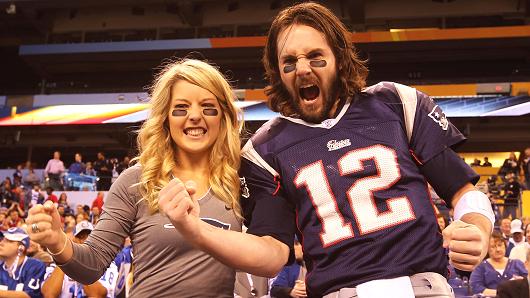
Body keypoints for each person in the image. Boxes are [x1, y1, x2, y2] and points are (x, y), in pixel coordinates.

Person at [154, 3, 493, 298]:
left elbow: (463, 190)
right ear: (278, 72)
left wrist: (476, 228)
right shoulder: (264, 149)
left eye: (315, 56)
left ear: (340, 59)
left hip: (423, 287)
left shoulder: (396, 103)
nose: (302, 69)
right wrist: (196, 230)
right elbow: (273, 252)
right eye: (289, 62)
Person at [26, 58, 244, 297]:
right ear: (165, 118)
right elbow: (92, 265)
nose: (194, 116)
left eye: (207, 106)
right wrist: (57, 241)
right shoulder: (137, 181)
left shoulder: (240, 181)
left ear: (223, 116)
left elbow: (272, 252)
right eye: (180, 108)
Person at [41, 221, 118, 298]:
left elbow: (97, 294)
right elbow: (49, 294)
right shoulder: (57, 264)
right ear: (73, 241)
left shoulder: (107, 264)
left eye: (90, 236)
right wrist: (65, 258)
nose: (86, 240)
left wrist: (79, 262)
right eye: (81, 237)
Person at [469, 231, 527, 297]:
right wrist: (504, 293)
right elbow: (476, 288)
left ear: (505, 245)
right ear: (486, 249)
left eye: (500, 245)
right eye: (493, 247)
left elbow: (527, 283)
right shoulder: (480, 267)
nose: (498, 249)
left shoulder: (517, 263)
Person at [0, 227, 46, 297]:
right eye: (2, 239)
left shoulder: (35, 266)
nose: (1, 243)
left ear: (21, 248)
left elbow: (29, 296)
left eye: (9, 241)